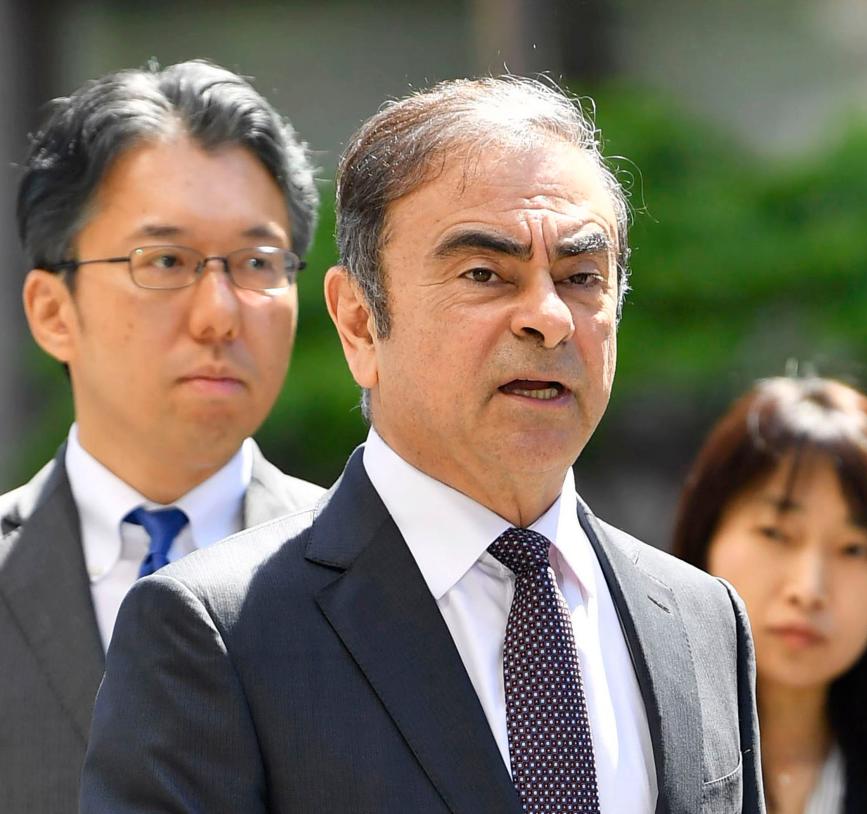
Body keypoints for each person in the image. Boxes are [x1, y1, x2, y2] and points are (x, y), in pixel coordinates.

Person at [81, 76, 764, 813]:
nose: (548, 318)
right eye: (484, 274)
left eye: (581, 277)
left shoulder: (702, 622)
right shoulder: (216, 634)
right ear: (359, 323)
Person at [0, 60, 325, 813]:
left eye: (256, 263)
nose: (219, 313)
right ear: (53, 311)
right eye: (166, 262)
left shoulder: (383, 577)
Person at [672, 376, 867, 813]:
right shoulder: (625, 748)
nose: (809, 590)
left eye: (854, 549)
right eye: (776, 533)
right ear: (706, 533)